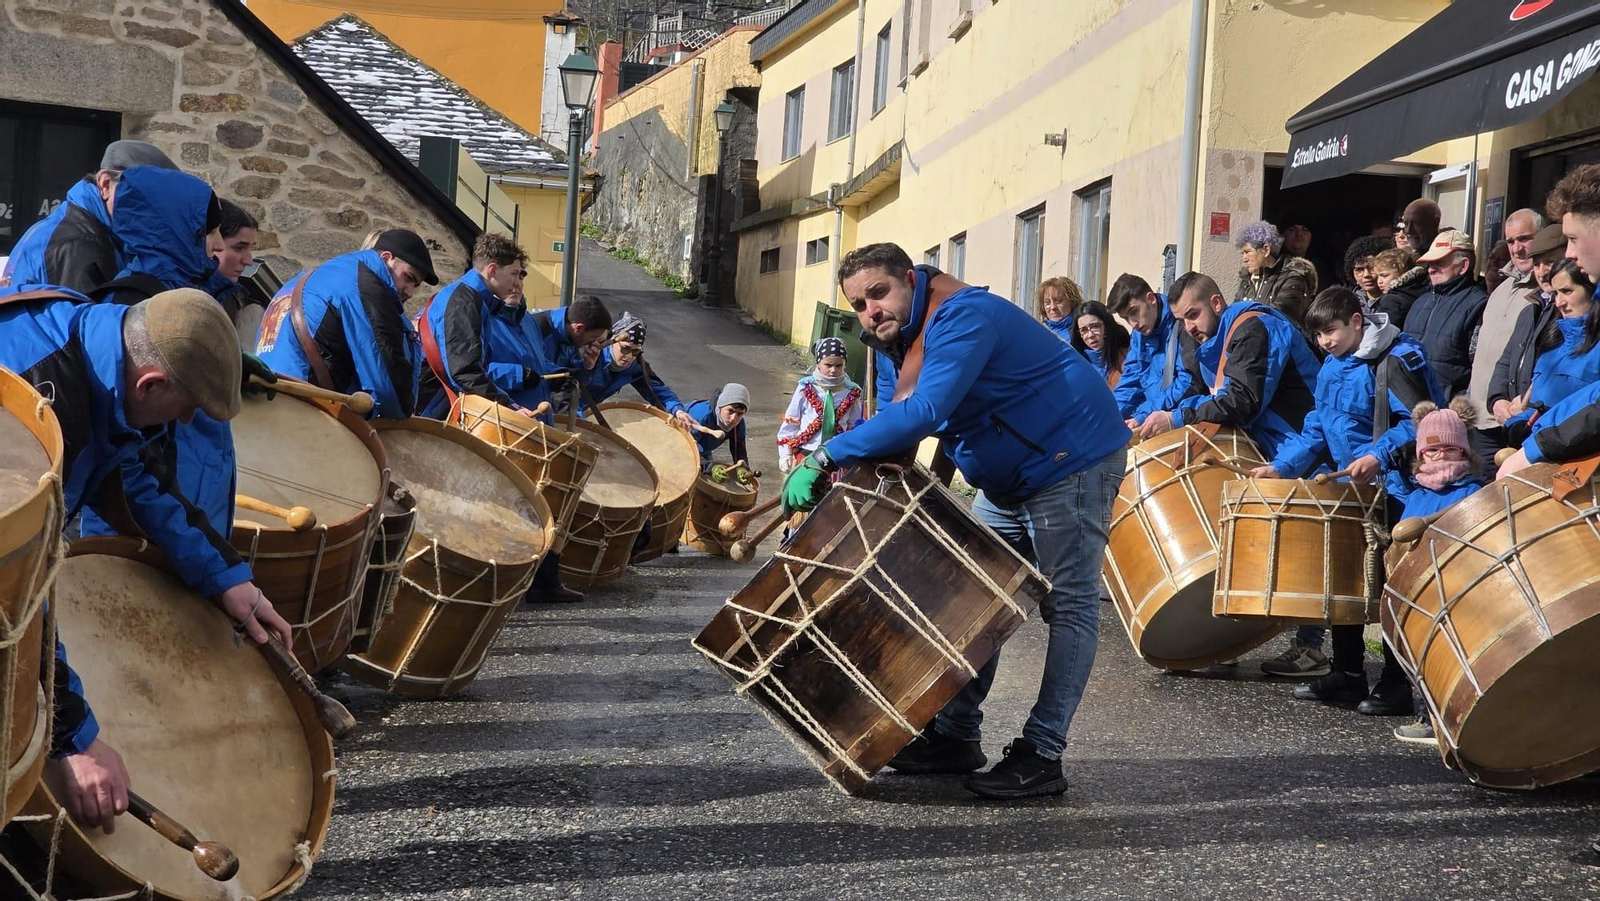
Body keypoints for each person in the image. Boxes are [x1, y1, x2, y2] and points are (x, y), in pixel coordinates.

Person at [781, 243, 1130, 800]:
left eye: (879, 293)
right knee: (973, 591)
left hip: (1073, 460)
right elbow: (917, 418)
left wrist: (827, 455)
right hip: (1011, 475)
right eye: (858, 305)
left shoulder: (963, 315)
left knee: (1069, 606)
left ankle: (1043, 753)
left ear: (910, 282)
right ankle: (955, 735)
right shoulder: (905, 333)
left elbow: (926, 411)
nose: (870, 311)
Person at [0, 287, 293, 833]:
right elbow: (10, 590)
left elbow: (139, 478)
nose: (184, 424)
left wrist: (228, 579)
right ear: (150, 383)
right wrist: (74, 741)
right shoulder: (37, 403)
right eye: (185, 409)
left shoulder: (105, 351)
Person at [1248, 288, 1442, 710]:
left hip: (1399, 489)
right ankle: (1348, 673)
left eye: (1330, 332)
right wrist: (1283, 467)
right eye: (1317, 336)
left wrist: (1378, 454)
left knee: (1394, 589)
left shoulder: (1397, 359)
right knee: (1348, 578)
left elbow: (1425, 420)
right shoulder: (1334, 365)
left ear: (1357, 321)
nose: (1324, 342)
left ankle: (1396, 684)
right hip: (1354, 491)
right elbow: (1319, 425)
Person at [1384, 398, 1489, 744]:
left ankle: (1447, 717)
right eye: (1432, 450)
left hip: (1457, 591)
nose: (1441, 455)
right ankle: (1426, 711)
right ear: (1419, 455)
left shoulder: (1473, 493)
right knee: (1422, 654)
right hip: (1422, 594)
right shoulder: (1416, 497)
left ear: (1464, 452)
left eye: (1450, 448)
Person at [1138, 272, 1320, 462]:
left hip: (1308, 450)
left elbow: (1241, 402)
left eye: (1193, 315)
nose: (1189, 327)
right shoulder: (1213, 344)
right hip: (1282, 451)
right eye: (1182, 321)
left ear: (1216, 303)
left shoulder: (1255, 328)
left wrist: (1178, 417)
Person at [256, 228, 436, 419]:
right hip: (300, 405)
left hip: (264, 391)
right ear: (385, 258)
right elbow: (389, 391)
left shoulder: (322, 273)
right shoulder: (367, 287)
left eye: (416, 285)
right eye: (408, 278)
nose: (410, 292)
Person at [0, 140, 179, 292]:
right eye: (141, 197)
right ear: (105, 183)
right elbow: (80, 329)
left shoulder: (81, 224)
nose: (149, 211)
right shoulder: (77, 243)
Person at [414, 233, 540, 419]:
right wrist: (509, 408)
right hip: (429, 407)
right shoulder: (464, 302)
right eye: (514, 273)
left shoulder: (470, 298)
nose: (517, 282)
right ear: (492, 270)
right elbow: (464, 372)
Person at [1468, 209, 1547, 459]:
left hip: (1516, 420)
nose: (1517, 248)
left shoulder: (1545, 293)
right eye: (1511, 241)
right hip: (1480, 418)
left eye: (1524, 239)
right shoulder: (1500, 290)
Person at [1501, 261, 1600, 445]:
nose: (1559, 302)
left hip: (1579, 462)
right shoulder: (1552, 345)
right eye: (1555, 293)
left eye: (1567, 291)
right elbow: (1540, 406)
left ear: (1591, 290)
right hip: (1538, 454)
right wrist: (1517, 424)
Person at [1489, 224, 1566, 433]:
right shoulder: (1530, 309)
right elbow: (1506, 360)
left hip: (1544, 422)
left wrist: (1526, 404)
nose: (1542, 272)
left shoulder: (1570, 310)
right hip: (1513, 420)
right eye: (1537, 264)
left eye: (1549, 262)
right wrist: (1497, 399)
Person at [1403, 229, 1488, 400]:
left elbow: (1480, 369)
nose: (1430, 269)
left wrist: (1458, 406)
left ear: (1463, 265)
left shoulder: (1479, 304)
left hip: (1449, 412)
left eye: (1439, 263)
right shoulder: (1420, 302)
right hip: (1411, 408)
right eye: (1429, 263)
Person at [1106, 273, 1200, 429]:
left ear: (1151, 298)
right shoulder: (1139, 335)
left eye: (1134, 312)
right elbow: (1130, 380)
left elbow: (1188, 384)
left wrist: (1142, 415)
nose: (1133, 323)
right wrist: (1108, 416)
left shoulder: (1182, 324)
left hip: (1183, 420)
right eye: (1126, 319)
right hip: (1153, 418)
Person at [776, 338, 864, 473]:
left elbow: (855, 425)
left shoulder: (852, 392)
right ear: (818, 364)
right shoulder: (805, 387)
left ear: (845, 364)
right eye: (828, 365)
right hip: (807, 452)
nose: (834, 370)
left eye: (839, 365)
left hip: (837, 455)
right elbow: (791, 421)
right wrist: (785, 454)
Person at [583, 312, 691, 419]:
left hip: (587, 410)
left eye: (635, 352)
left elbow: (657, 391)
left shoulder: (635, 367)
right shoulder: (590, 354)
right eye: (625, 348)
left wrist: (678, 411)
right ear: (612, 341)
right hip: (570, 405)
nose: (629, 356)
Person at [520, 294, 613, 416]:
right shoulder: (538, 328)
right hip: (526, 409)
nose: (594, 343)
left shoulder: (571, 336)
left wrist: (587, 367)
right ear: (579, 328)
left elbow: (571, 384)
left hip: (548, 410)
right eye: (594, 337)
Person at [1235, 221, 1316, 329]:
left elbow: (1275, 316)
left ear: (1265, 250)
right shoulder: (1248, 280)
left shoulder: (1293, 278)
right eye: (1243, 253)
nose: (1244, 259)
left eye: (1247, 252)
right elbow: (1234, 313)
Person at [209, 199, 261, 349]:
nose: (249, 261)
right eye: (239, 248)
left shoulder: (234, 298)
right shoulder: (180, 293)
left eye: (250, 248)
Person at [688, 383, 751, 472]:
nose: (733, 419)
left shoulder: (739, 424)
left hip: (703, 449)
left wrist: (743, 469)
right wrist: (710, 468)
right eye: (730, 411)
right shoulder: (701, 416)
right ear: (720, 406)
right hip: (676, 442)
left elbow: (739, 451)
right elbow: (687, 449)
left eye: (740, 414)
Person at [1070, 300, 1129, 387]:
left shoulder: (1127, 357)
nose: (1090, 335)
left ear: (1106, 326)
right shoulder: (1077, 364)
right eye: (1084, 330)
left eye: (1095, 327)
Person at [1370, 247, 1426, 324]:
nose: (1379, 281)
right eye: (1377, 276)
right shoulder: (1425, 287)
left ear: (1401, 273)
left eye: (1384, 275)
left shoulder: (1391, 300)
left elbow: (1386, 333)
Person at [1343, 235, 1392, 308]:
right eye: (1359, 270)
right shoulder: (1346, 304)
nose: (1366, 274)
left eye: (1372, 268)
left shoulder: (1396, 301)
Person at [1037, 276, 1082, 343]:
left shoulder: (1082, 333)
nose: (1053, 307)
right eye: (1047, 303)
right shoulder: (1038, 332)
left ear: (1072, 301)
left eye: (1058, 301)